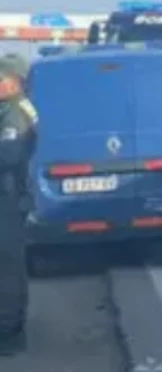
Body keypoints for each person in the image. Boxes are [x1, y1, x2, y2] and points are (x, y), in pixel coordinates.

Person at [0, 56, 36, 354]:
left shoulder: (14, 113)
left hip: (8, 200)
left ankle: (9, 333)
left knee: (7, 268)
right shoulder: (10, 109)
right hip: (8, 198)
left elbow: (8, 156)